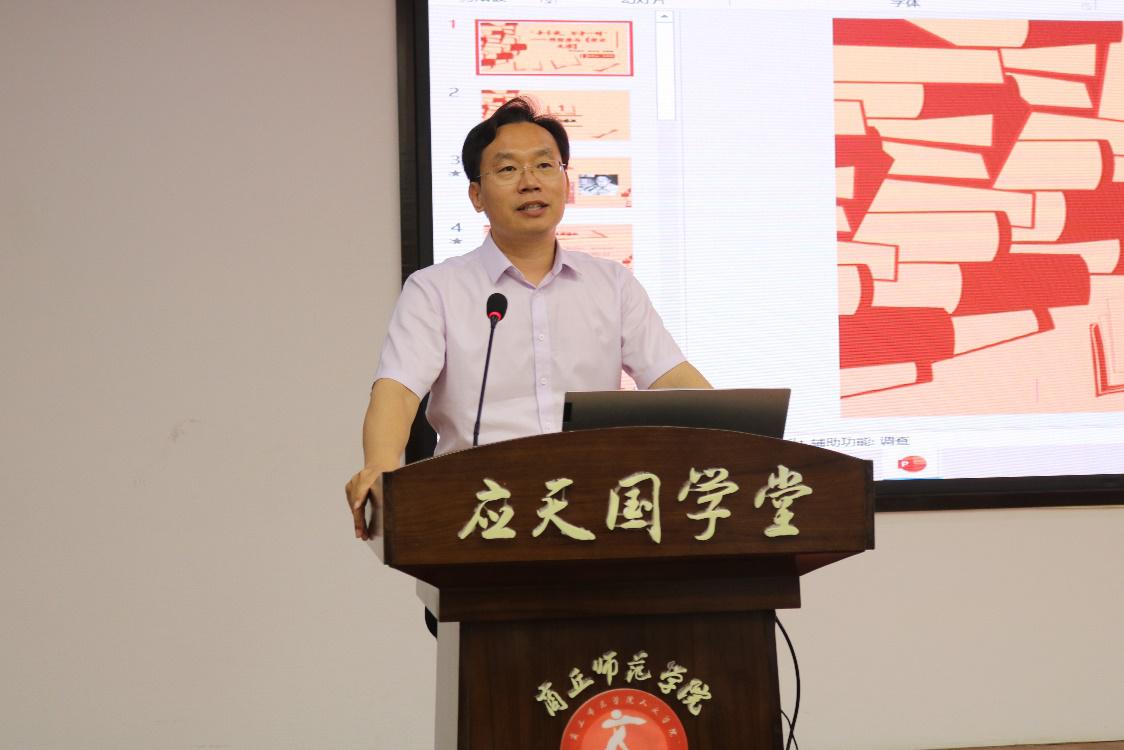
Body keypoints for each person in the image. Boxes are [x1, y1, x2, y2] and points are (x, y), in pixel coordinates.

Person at [345, 97, 710, 540]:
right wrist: (381, 467)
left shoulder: (612, 284)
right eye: (507, 169)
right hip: (480, 510)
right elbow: (398, 392)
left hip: (595, 511)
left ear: (565, 182)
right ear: (476, 196)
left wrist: (747, 444)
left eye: (544, 166)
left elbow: (672, 379)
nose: (529, 182)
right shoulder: (435, 289)